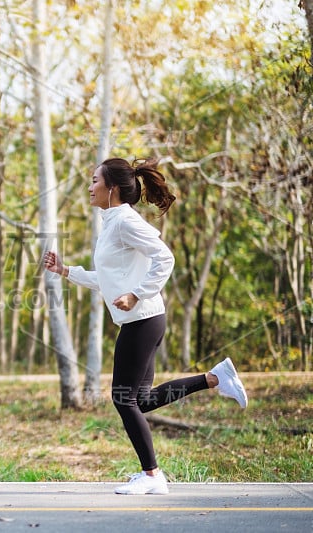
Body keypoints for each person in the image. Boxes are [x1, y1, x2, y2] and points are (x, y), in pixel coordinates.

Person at [43, 157, 247, 495]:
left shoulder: (124, 222)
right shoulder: (110, 224)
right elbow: (108, 280)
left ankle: (152, 476)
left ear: (112, 189)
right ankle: (214, 378)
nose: (89, 187)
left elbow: (165, 257)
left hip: (142, 319)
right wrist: (66, 271)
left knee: (123, 399)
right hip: (142, 320)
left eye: (95, 180)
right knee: (142, 399)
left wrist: (137, 294)